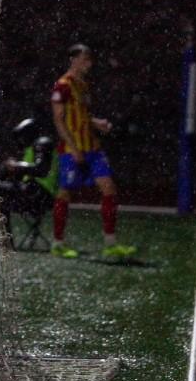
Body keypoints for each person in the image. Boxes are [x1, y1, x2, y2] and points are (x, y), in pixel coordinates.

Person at [49, 44, 137, 259]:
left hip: (93, 147)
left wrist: (96, 123)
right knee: (64, 193)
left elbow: (81, 116)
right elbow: (58, 120)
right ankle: (58, 243)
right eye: (85, 59)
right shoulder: (62, 86)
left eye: (90, 59)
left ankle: (110, 244)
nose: (89, 63)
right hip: (72, 149)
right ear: (74, 59)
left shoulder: (83, 85)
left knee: (109, 188)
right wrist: (74, 147)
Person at [0, 118, 57, 250]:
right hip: (32, 192)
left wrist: (16, 166)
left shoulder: (42, 143)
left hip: (40, 196)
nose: (20, 141)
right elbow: (28, 172)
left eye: (22, 137)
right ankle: (1, 240)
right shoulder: (31, 149)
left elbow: (41, 170)